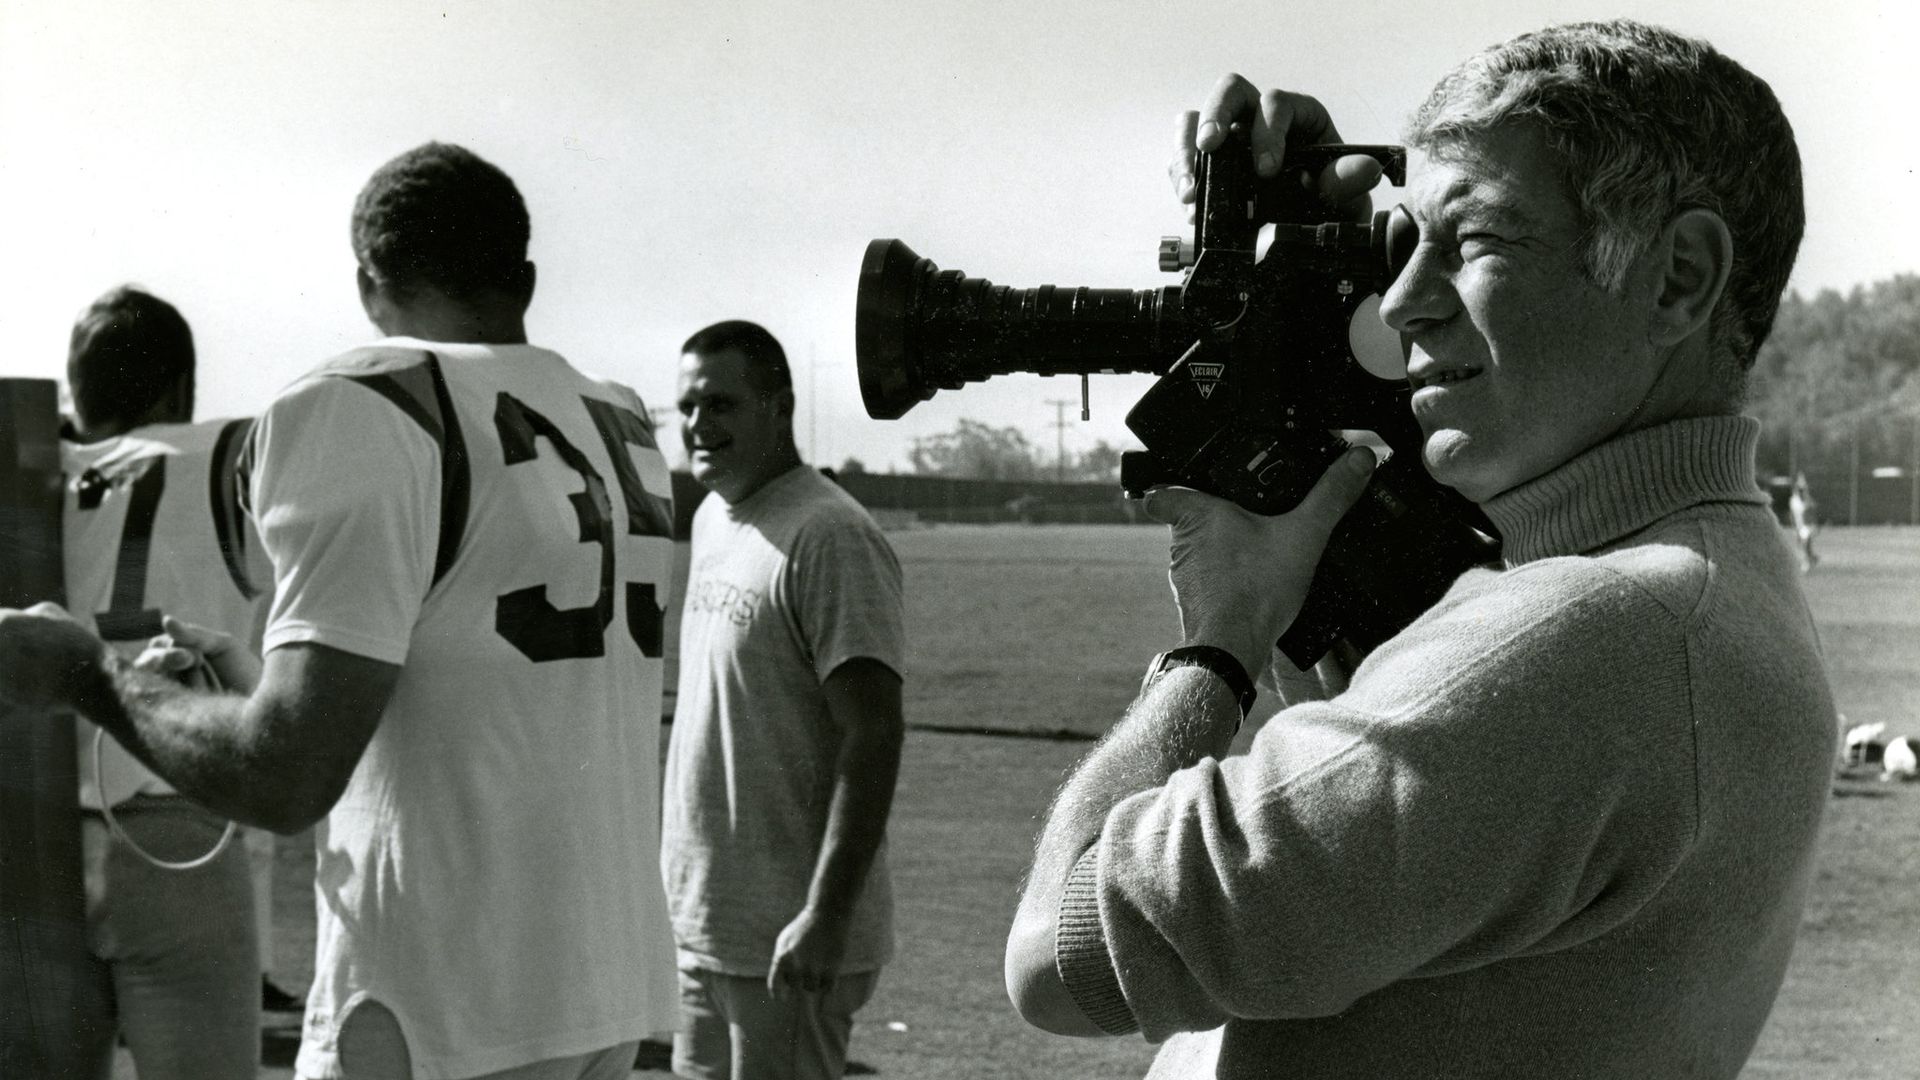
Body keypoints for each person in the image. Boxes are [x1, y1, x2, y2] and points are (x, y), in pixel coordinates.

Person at [1004, 20, 1837, 1079]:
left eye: (1477, 240)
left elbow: (1059, 952)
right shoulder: (1710, 580)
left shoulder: (1588, 636)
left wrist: (1219, 642)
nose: (1400, 303)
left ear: (1678, 278)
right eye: (1403, 246)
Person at [0, 142, 680, 1080]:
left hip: (440, 992)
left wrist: (87, 673)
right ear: (523, 276)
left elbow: (284, 777)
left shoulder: (366, 400)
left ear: (369, 282)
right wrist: (253, 682)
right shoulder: (621, 419)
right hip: (601, 982)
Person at [663, 320, 907, 1080]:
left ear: (779, 406)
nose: (701, 425)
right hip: (710, 927)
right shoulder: (714, 518)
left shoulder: (829, 534)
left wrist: (826, 917)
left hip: (787, 940)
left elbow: (872, 732)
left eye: (723, 404)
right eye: (688, 407)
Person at [58, 285, 268, 1080]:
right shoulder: (228, 456)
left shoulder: (36, 466)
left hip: (35, 840)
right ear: (179, 387)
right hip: (173, 830)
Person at [1790, 470, 1820, 569]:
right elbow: (1794, 515)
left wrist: (1814, 526)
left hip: (1806, 526)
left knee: (1804, 544)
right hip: (1800, 525)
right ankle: (1811, 558)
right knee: (1804, 544)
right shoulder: (1794, 501)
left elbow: (1810, 514)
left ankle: (1807, 561)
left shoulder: (1806, 501)